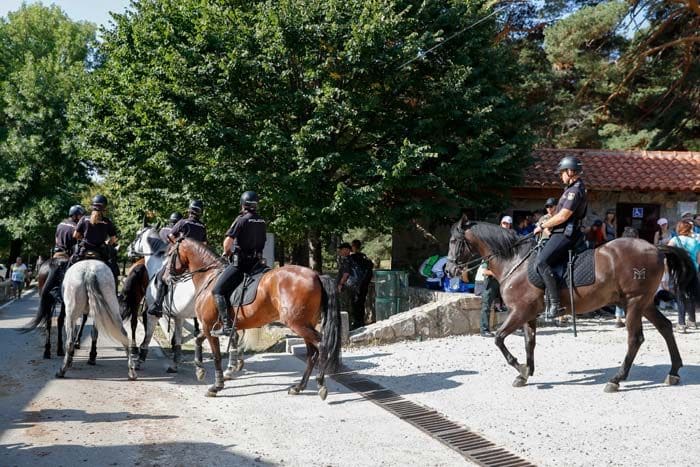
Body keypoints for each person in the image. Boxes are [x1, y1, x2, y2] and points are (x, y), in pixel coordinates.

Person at [533, 156, 588, 320]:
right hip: (560, 231)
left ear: (570, 172)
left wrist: (543, 226)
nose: (561, 175)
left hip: (566, 233)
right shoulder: (571, 189)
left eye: (562, 172)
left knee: (541, 262)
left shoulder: (574, 191)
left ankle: (556, 305)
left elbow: (564, 215)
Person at [211, 191, 266, 337]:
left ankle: (227, 325)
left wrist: (226, 253)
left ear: (243, 204)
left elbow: (228, 243)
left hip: (241, 264)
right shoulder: (262, 221)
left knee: (217, 290)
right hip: (257, 264)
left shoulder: (241, 220)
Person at [148, 201, 207, 317]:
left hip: (182, 260)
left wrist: (177, 244)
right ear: (200, 213)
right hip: (196, 263)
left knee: (161, 276)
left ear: (189, 210)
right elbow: (204, 244)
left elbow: (170, 237)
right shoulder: (202, 227)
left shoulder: (183, 222)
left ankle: (158, 306)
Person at [72, 195, 119, 285]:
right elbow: (113, 239)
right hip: (100, 252)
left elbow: (75, 235)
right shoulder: (107, 221)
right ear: (104, 207)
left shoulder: (84, 219)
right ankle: (116, 291)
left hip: (84, 250)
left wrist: (83, 239)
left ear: (92, 206)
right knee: (113, 270)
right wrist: (107, 242)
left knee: (70, 264)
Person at [42, 205, 85, 302]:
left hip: (56, 253)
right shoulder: (76, 227)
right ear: (75, 216)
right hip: (66, 255)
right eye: (80, 215)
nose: (81, 218)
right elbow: (80, 243)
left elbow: (56, 238)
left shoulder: (60, 224)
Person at [667, 219, 699, 333]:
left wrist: (667, 273)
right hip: (693, 271)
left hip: (679, 271)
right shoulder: (696, 242)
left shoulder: (674, 240)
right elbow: (698, 259)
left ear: (679, 229)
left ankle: (681, 324)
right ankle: (692, 321)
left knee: (680, 297)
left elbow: (668, 258)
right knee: (691, 296)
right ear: (690, 229)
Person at [614, 226, 639, 327]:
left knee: (620, 296)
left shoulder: (618, 246)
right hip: (631, 274)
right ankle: (630, 318)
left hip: (619, 274)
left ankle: (618, 319)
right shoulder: (636, 247)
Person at [347, 239, 374, 330]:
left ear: (354, 247)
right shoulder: (365, 257)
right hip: (364, 285)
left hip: (354, 284)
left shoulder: (351, 258)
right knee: (361, 303)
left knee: (354, 304)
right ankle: (360, 322)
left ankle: (356, 323)